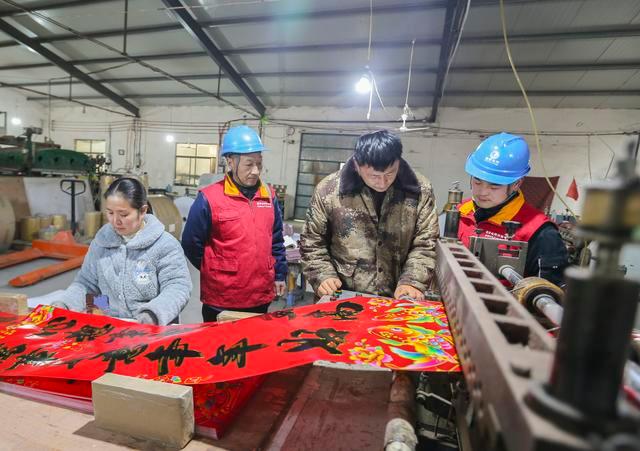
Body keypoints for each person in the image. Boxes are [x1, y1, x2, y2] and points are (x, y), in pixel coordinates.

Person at [300, 130, 439, 301]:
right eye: (374, 176)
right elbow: (312, 241)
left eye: (390, 173)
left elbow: (426, 243)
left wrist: (412, 281)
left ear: (398, 162)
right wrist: (323, 275)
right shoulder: (329, 190)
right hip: (342, 297)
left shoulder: (420, 190)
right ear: (357, 166)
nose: (383, 182)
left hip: (397, 298)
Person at [182, 125, 287, 322]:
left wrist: (279, 274)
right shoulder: (209, 198)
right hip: (222, 297)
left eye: (259, 163)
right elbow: (191, 243)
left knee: (255, 340)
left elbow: (276, 239)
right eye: (249, 164)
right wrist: (215, 268)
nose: (255, 171)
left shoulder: (268, 196)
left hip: (259, 294)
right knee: (219, 341)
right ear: (230, 161)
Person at [52, 177, 192, 325]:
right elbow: (86, 283)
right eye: (110, 213)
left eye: (123, 215)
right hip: (111, 327)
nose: (115, 221)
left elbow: (177, 287)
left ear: (142, 211)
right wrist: (65, 304)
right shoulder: (101, 242)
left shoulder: (164, 245)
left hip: (152, 328)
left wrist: (153, 314)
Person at [457, 132, 569, 286]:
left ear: (517, 183)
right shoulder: (460, 211)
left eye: (494, 186)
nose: (482, 192)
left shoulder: (541, 232)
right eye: (477, 181)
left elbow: (548, 291)